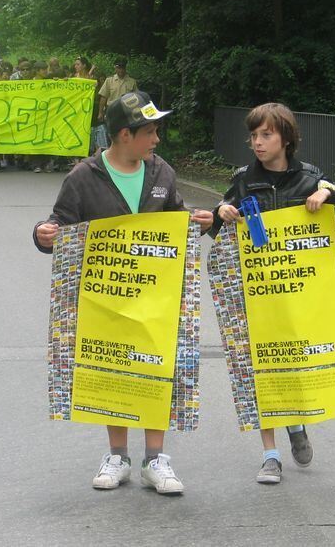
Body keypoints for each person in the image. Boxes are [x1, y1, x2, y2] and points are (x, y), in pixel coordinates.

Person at [33, 90, 214, 495]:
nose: (157, 139)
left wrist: (195, 221)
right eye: (149, 131)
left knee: (156, 367)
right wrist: (42, 235)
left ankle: (156, 459)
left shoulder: (161, 172)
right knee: (112, 370)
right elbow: (59, 226)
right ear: (123, 135)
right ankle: (118, 456)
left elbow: (175, 218)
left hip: (156, 295)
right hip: (106, 298)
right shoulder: (83, 177)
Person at [209, 102, 335, 486]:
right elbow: (218, 225)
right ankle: (271, 455)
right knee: (261, 367)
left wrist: (330, 197)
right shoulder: (245, 177)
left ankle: (296, 425)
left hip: (300, 295)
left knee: (293, 362)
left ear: (286, 138)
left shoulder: (311, 178)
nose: (257, 143)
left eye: (266, 135)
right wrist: (222, 211)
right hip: (258, 293)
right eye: (254, 136)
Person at [97, 58, 138, 123]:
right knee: (111, 132)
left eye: (123, 68)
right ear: (115, 68)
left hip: (126, 112)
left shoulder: (132, 81)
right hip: (111, 111)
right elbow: (103, 97)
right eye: (119, 68)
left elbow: (136, 99)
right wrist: (100, 113)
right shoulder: (109, 80)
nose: (121, 70)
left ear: (125, 68)